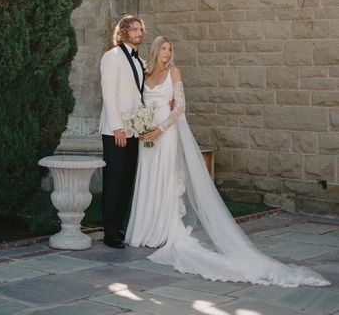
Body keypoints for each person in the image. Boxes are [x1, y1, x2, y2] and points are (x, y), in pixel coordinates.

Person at [125, 36, 330, 287]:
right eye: (164, 49)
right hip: (147, 135)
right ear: (156, 50)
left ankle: (162, 231)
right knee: (148, 178)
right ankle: (145, 230)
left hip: (166, 134)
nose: (167, 53)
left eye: (170, 49)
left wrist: (160, 129)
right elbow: (140, 104)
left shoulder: (174, 72)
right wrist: (143, 126)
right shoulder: (145, 76)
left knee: (165, 179)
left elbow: (180, 107)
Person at [99, 15, 146, 249]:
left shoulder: (140, 61)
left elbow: (138, 96)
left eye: (140, 29)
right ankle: (110, 233)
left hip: (133, 131)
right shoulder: (112, 57)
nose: (139, 32)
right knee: (114, 180)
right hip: (115, 130)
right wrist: (117, 126)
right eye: (134, 29)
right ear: (124, 32)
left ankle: (119, 226)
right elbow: (109, 93)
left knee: (126, 181)